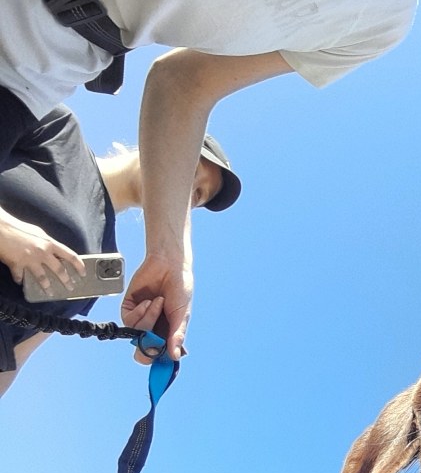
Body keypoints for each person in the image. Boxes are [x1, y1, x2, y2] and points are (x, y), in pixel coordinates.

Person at [1, 0, 418, 364]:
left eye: (199, 196)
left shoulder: (381, 24)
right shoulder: (59, 134)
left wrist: (171, 257)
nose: (191, 190)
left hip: (44, 65)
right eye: (197, 166)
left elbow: (184, 83)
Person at [0, 105, 242, 397]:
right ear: (156, 142)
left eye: (198, 195)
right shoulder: (60, 128)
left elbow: (20, 350)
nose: (187, 192)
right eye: (192, 170)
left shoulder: (104, 261)